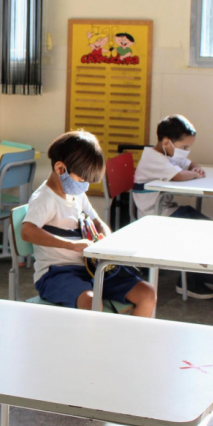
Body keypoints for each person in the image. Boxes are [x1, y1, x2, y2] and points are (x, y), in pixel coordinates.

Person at [21, 131, 157, 317]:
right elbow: (27, 231)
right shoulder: (45, 199)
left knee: (147, 294)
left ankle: (130, 343)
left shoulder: (76, 193)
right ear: (61, 169)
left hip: (91, 268)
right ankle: (91, 345)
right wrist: (71, 245)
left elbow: (97, 222)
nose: (84, 186)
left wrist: (107, 241)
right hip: (57, 274)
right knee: (92, 302)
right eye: (82, 180)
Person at [132, 115, 213, 299]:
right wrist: (195, 175)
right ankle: (188, 282)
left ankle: (206, 274)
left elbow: (188, 165)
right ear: (166, 142)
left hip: (168, 210)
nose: (186, 152)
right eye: (184, 147)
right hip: (154, 216)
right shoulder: (154, 159)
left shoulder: (168, 153)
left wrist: (194, 169)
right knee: (196, 229)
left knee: (208, 226)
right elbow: (179, 175)